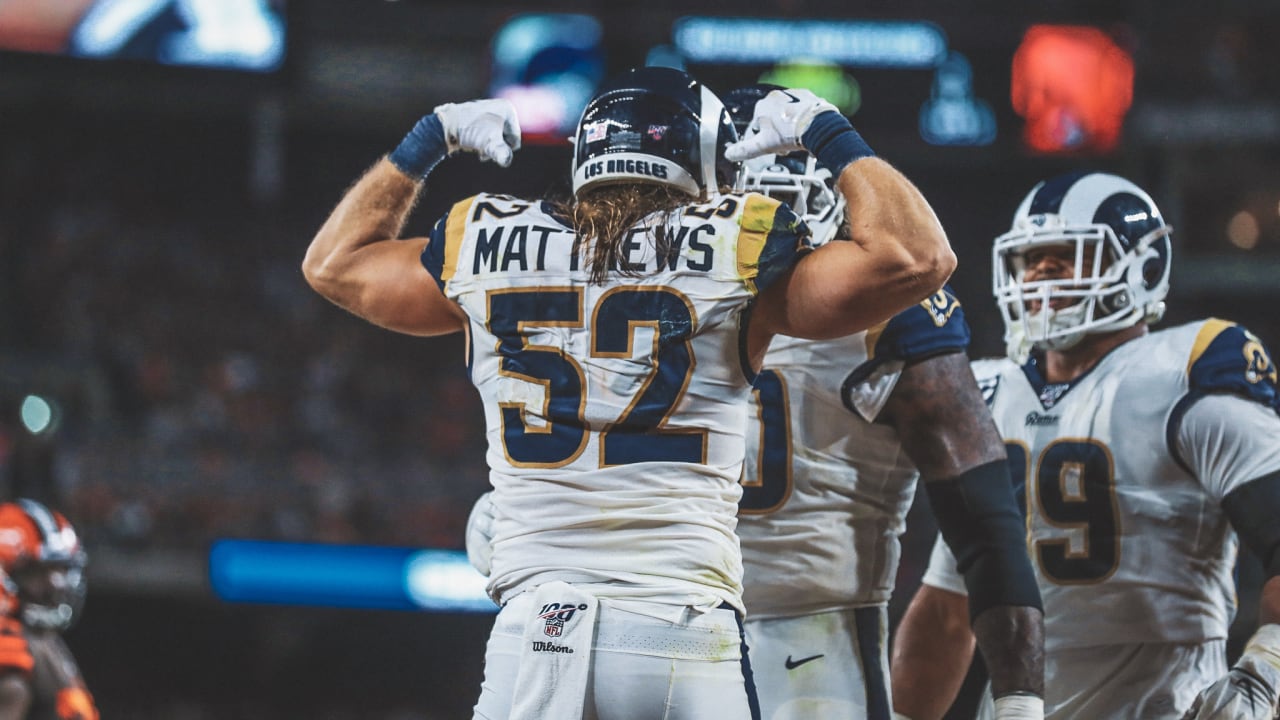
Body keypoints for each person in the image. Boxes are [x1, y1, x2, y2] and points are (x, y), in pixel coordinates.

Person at [302, 65, 955, 720]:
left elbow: (334, 264)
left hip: (535, 631)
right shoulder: (739, 240)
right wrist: (828, 133)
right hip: (679, 628)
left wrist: (426, 141)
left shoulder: (482, 239)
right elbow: (918, 258)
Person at [889, 171, 1280, 720]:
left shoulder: (1187, 371)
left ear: (1142, 268)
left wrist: (1265, 670)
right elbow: (950, 610)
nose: (1042, 274)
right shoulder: (987, 392)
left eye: (1066, 256)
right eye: (1032, 260)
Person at [718, 83, 1044, 720]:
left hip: (811, 645)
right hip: (671, 620)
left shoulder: (885, 314)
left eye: (776, 210)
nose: (759, 231)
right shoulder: (660, 297)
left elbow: (983, 519)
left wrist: (1019, 695)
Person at [0, 499, 98, 720]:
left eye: (62, 570)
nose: (57, 584)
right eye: (39, 572)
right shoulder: (11, 649)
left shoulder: (41, 639)